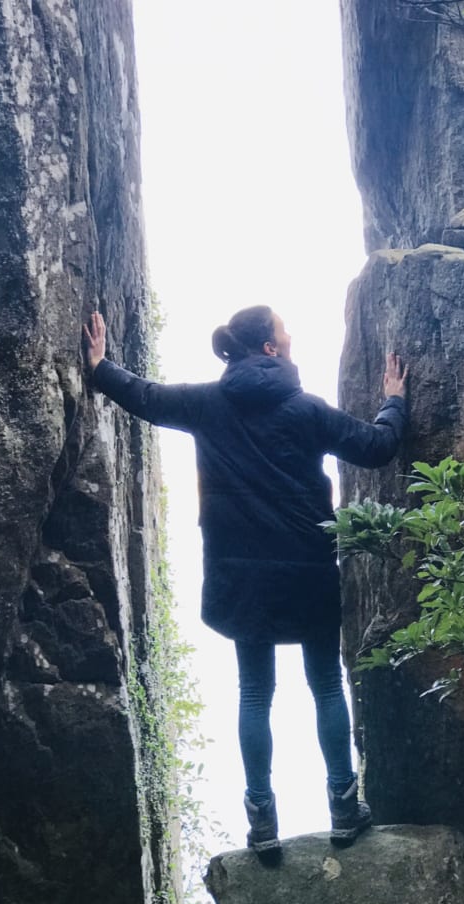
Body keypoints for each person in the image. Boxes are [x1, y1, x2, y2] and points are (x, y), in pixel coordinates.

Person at [84, 306, 408, 855]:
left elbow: (147, 397)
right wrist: (394, 399)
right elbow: (377, 447)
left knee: (255, 693)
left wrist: (99, 367)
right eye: (285, 331)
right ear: (270, 349)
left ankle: (261, 822)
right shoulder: (305, 411)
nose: (291, 335)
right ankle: (344, 807)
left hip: (240, 581)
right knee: (326, 685)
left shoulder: (207, 404)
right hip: (306, 573)